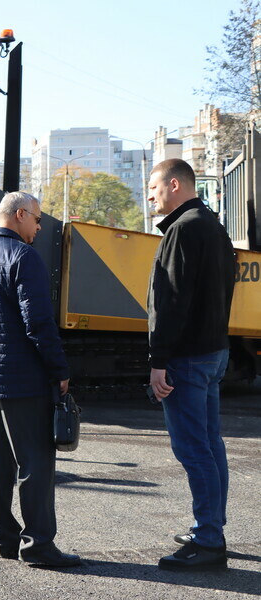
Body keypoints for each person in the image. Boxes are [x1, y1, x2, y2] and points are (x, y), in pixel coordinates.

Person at [0, 191, 81, 568]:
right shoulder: (23, 258)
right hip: (24, 382)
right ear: (20, 214)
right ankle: (39, 546)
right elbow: (39, 325)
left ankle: (8, 541)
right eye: (38, 219)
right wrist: (59, 371)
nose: (40, 227)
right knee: (35, 464)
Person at [146, 158, 236, 572]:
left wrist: (159, 360)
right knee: (210, 445)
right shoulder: (214, 227)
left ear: (176, 184)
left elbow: (172, 300)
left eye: (154, 187)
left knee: (193, 449)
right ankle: (210, 527)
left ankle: (208, 540)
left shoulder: (183, 229)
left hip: (187, 358)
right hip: (214, 351)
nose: (150, 194)